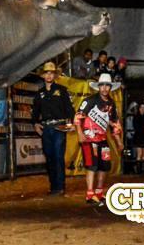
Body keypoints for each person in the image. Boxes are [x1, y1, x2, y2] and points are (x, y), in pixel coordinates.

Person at [74, 73, 123, 206]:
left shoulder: (111, 104)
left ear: (110, 87)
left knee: (105, 166)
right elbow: (78, 117)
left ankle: (99, 193)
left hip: (102, 138)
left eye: (107, 85)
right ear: (99, 87)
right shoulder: (90, 100)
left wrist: (119, 142)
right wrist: (80, 134)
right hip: (89, 138)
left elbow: (114, 123)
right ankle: (90, 195)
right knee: (92, 165)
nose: (105, 88)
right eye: (102, 85)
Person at [32, 62, 75, 195]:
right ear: (43, 75)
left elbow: (69, 109)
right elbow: (35, 112)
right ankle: (53, 186)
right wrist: (35, 124)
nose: (49, 75)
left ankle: (60, 186)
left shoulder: (62, 90)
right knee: (49, 156)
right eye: (47, 73)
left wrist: (71, 123)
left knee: (58, 155)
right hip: (46, 128)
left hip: (59, 127)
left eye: (51, 73)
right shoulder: (40, 93)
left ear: (54, 75)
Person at [132, 102, 144, 174]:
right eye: (141, 107)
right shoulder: (136, 117)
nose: (142, 109)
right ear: (139, 109)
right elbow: (136, 127)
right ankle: (139, 171)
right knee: (139, 154)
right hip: (138, 137)